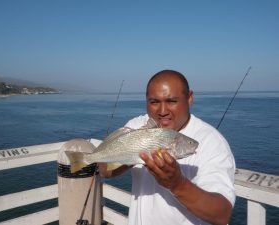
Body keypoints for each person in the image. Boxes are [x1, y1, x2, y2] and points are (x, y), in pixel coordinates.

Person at [99, 70, 236, 225]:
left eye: (171, 101)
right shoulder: (137, 126)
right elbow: (105, 170)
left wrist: (177, 183)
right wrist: (133, 151)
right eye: (154, 102)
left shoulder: (211, 141)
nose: (163, 111)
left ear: (189, 98)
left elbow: (222, 214)